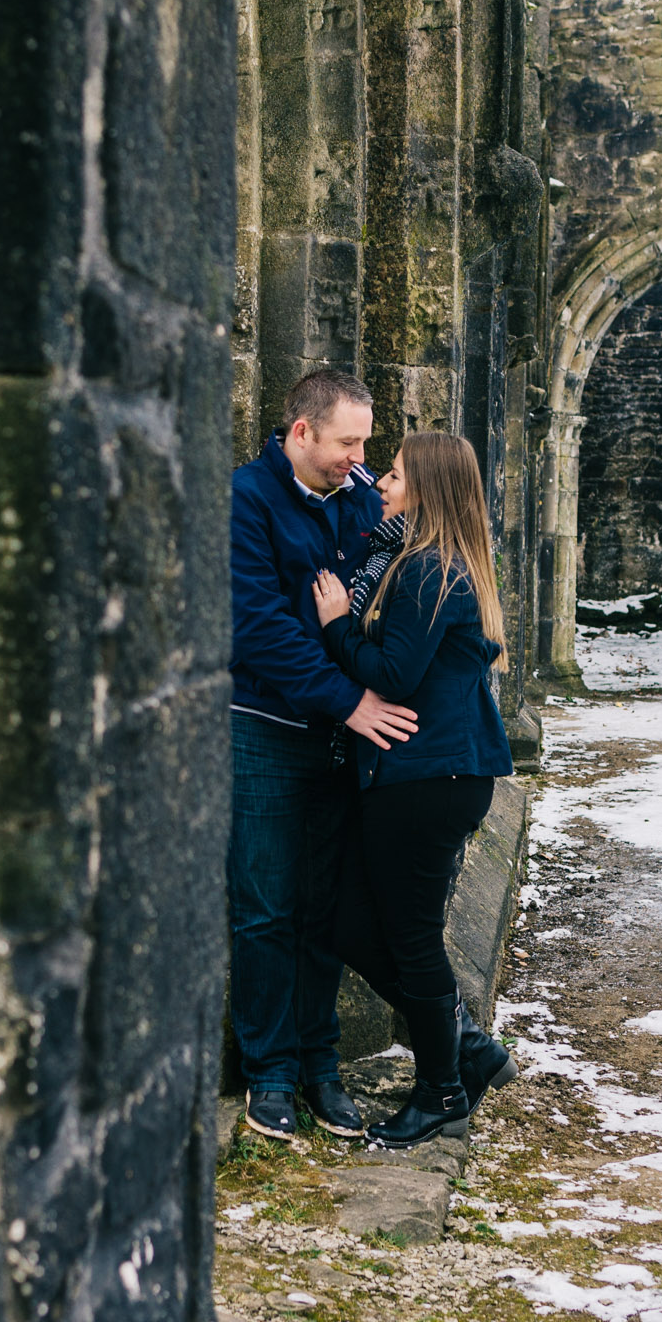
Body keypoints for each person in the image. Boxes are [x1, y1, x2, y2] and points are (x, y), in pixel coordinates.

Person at [230, 372, 420, 1143]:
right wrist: (347, 699)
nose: (361, 457)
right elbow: (258, 626)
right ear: (301, 433)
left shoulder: (361, 494)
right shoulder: (246, 499)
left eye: (367, 443)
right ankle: (269, 1074)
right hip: (266, 729)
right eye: (348, 442)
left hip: (345, 740)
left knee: (323, 910)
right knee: (267, 906)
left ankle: (321, 1068)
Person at [312, 432, 518, 1148]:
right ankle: (464, 1050)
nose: (383, 485)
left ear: (425, 488)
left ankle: (439, 1093)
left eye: (395, 474)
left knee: (412, 941)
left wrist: (337, 625)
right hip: (424, 775)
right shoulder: (434, 562)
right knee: (351, 926)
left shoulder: (431, 568)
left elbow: (393, 674)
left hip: (429, 777)